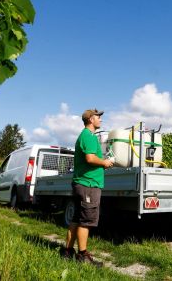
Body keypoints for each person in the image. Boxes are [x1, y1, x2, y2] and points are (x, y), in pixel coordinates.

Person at [60, 108, 114, 266]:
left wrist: (102, 162)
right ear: (91, 119)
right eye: (98, 117)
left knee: (76, 219)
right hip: (88, 184)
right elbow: (90, 158)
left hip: (82, 184)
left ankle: (68, 252)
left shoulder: (86, 136)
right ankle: (83, 256)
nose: (101, 120)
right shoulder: (88, 136)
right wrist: (104, 162)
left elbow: (89, 159)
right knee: (86, 221)